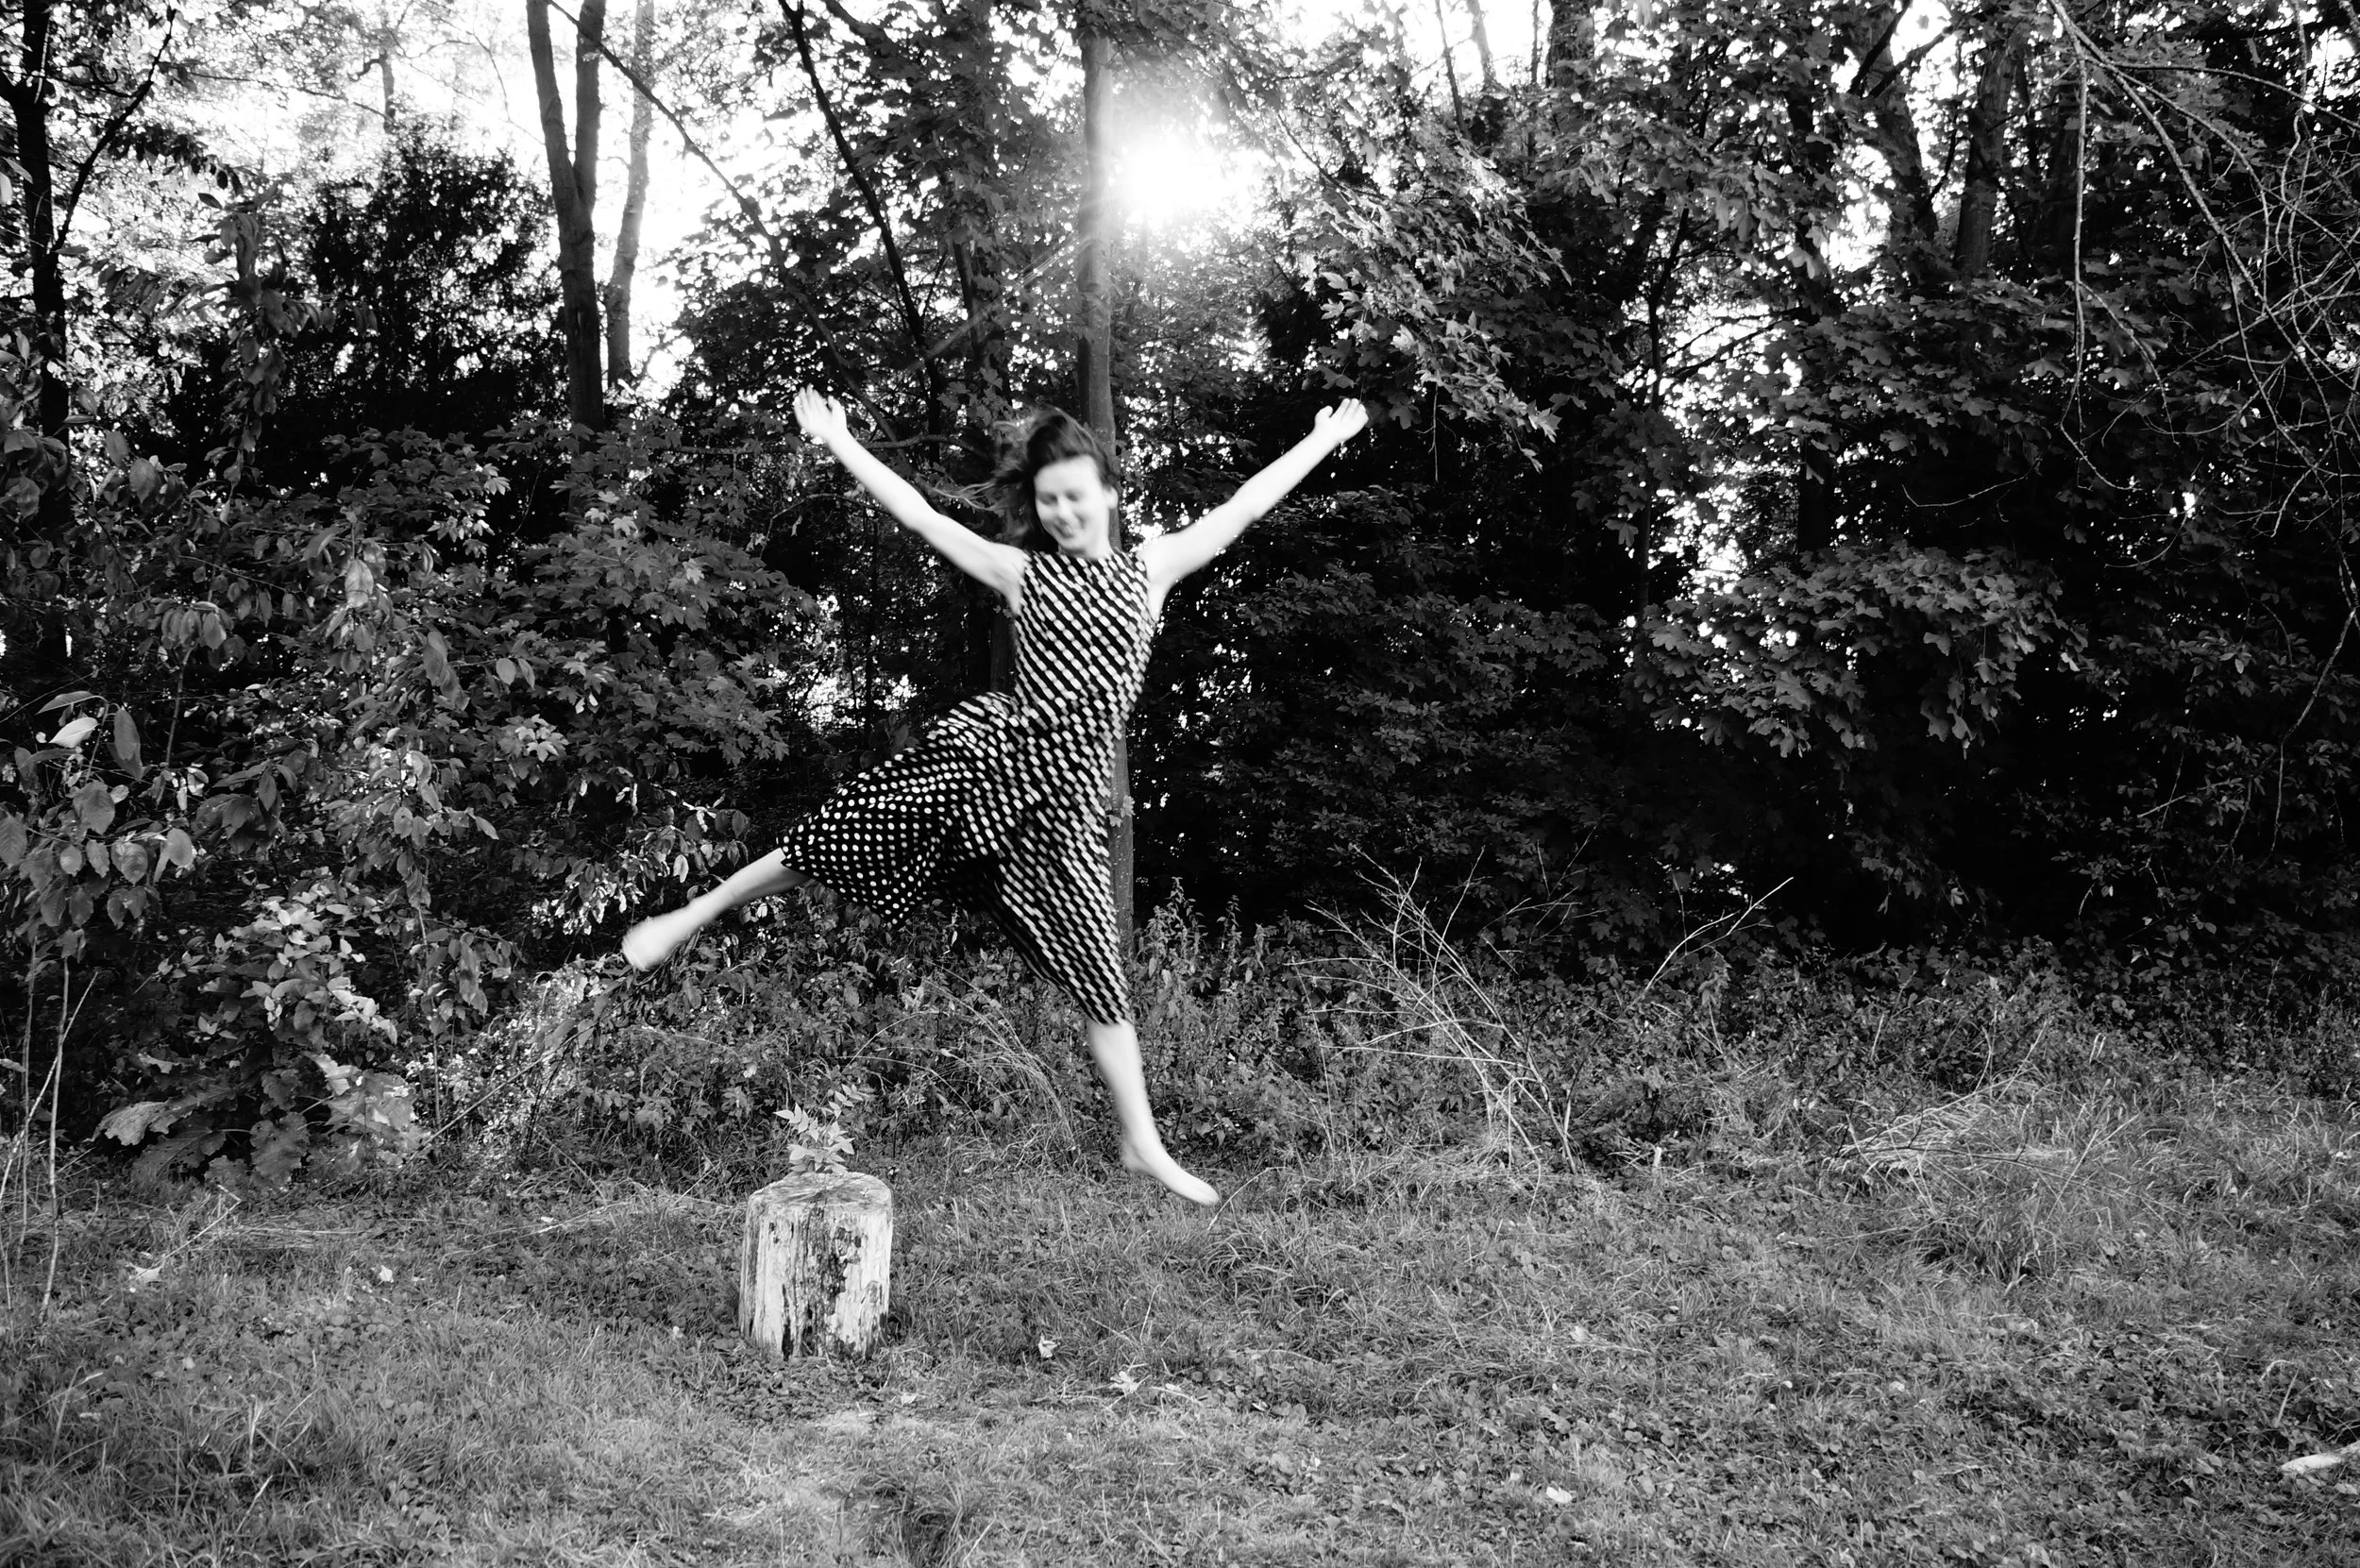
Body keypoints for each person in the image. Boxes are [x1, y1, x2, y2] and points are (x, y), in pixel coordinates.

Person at [622, 387, 1369, 1208]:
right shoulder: (1021, 573)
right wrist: (839, 442)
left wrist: (1319, 442)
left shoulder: (1151, 569)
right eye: (1048, 500)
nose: (1061, 512)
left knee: (1099, 973)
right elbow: (918, 515)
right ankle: (684, 920)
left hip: (1066, 809)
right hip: (990, 763)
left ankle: (1140, 1140)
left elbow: (1244, 505)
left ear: (1110, 494)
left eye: (1075, 497)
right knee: (835, 835)